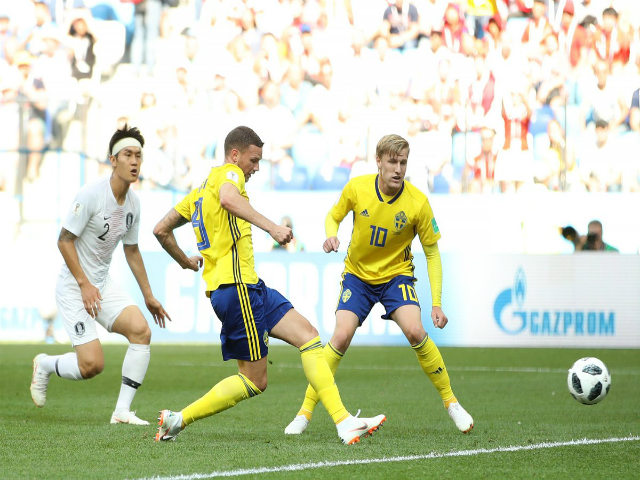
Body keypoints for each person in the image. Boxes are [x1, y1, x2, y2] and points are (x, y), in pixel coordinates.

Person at [152, 126, 386, 444]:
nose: (256, 168)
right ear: (235, 155)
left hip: (250, 288)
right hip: (236, 290)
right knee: (254, 381)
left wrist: (184, 261)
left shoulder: (197, 193)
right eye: (253, 160)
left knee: (309, 336)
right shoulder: (228, 175)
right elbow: (228, 198)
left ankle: (344, 422)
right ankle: (178, 420)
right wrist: (273, 228)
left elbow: (161, 229)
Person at [284, 134, 474, 436]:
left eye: (403, 162)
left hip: (396, 276)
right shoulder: (357, 188)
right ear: (379, 162)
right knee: (341, 336)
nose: (398, 169)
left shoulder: (417, 203)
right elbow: (333, 216)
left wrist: (436, 302)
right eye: (392, 162)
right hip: (358, 277)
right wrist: (331, 234)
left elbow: (433, 252)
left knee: (415, 330)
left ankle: (451, 403)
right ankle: (304, 414)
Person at [30, 124, 171, 425]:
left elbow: (131, 250)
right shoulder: (91, 194)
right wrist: (83, 284)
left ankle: (121, 412)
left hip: (102, 285)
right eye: (128, 155)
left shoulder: (134, 204)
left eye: (139, 156)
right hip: (74, 286)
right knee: (92, 365)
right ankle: (45, 364)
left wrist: (148, 296)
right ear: (113, 160)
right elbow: (64, 240)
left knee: (141, 331)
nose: (134, 162)